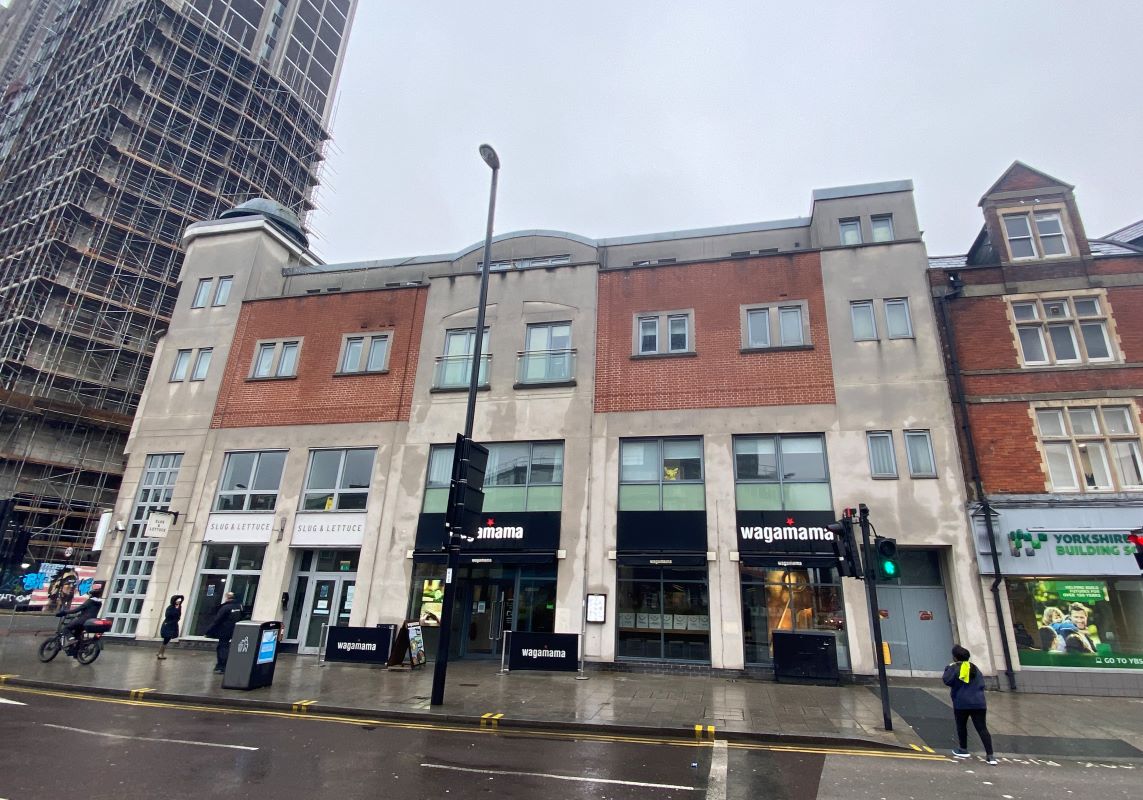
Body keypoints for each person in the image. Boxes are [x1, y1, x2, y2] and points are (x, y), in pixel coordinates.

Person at [942, 644, 996, 764]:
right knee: (982, 728)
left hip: (961, 703)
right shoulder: (975, 668)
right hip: (978, 702)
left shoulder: (954, 668)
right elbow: (981, 684)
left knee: (961, 726)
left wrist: (948, 668)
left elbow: (947, 680)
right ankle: (990, 756)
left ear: (955, 657)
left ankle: (963, 749)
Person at [55, 586, 103, 655]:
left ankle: (71, 639)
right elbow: (89, 611)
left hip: (83, 620)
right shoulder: (99, 603)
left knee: (66, 629)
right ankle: (74, 651)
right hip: (90, 621)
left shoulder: (90, 601)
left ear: (92, 595)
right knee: (77, 634)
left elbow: (77, 610)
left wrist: (64, 612)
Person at [205, 591, 243, 674]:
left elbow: (217, 620)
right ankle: (227, 665)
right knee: (227, 647)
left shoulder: (225, 607)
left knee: (222, 647)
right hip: (234, 630)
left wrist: (208, 630)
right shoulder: (239, 606)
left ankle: (221, 666)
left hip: (224, 630)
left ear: (227, 598)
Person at [157, 595, 184, 660]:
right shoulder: (170, 607)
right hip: (168, 624)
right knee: (166, 639)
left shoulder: (179, 607)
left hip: (173, 624)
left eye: (179, 601)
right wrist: (176, 610)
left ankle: (160, 652)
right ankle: (161, 654)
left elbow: (178, 616)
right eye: (177, 600)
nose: (179, 601)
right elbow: (168, 615)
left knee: (166, 640)